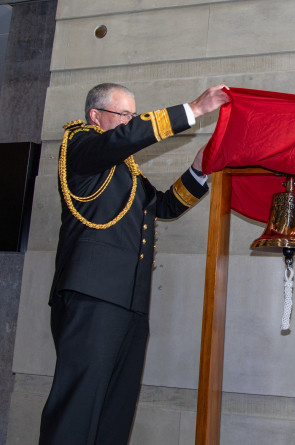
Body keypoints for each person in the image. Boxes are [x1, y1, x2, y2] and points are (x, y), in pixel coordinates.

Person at [39, 83, 230, 445]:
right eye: (123, 115)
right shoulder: (80, 146)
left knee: (116, 410)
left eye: (132, 115)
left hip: (130, 302)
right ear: (96, 116)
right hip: (92, 295)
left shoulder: (127, 175)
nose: (129, 122)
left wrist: (199, 168)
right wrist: (193, 109)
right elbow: (117, 142)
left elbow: (164, 207)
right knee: (78, 407)